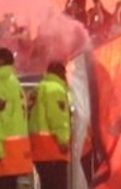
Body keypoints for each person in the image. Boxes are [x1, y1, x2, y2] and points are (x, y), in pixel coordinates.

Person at [0, 48, 33, 188]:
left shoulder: (0, 84)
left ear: (1, 61)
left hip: (3, 154)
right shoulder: (12, 82)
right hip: (13, 152)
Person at [30, 60, 72, 189]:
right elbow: (57, 118)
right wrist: (64, 140)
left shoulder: (40, 88)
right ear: (62, 73)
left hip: (39, 148)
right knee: (58, 185)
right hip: (52, 148)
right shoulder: (55, 89)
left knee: (46, 184)